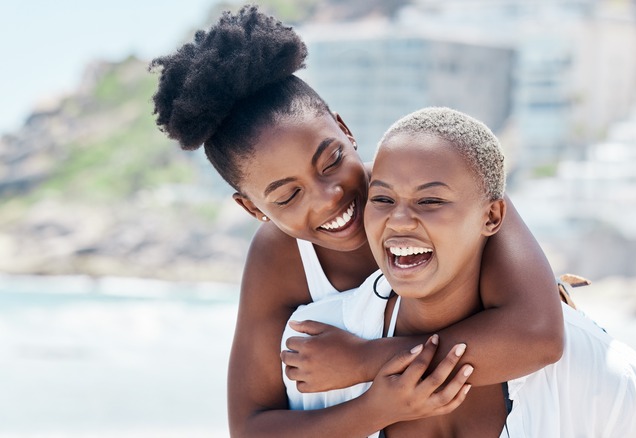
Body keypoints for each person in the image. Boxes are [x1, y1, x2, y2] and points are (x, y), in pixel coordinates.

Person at [150, 6, 564, 437]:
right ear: (254, 210)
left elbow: (538, 337)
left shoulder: (436, 176)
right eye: (289, 196)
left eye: (330, 161)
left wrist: (363, 361)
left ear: (345, 129)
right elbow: (252, 428)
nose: (330, 197)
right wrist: (376, 407)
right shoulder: (281, 258)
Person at [282, 107, 636, 437]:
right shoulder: (317, 348)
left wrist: (365, 362)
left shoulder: (591, 368)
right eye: (382, 199)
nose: (399, 221)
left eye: (430, 201)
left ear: (492, 217)